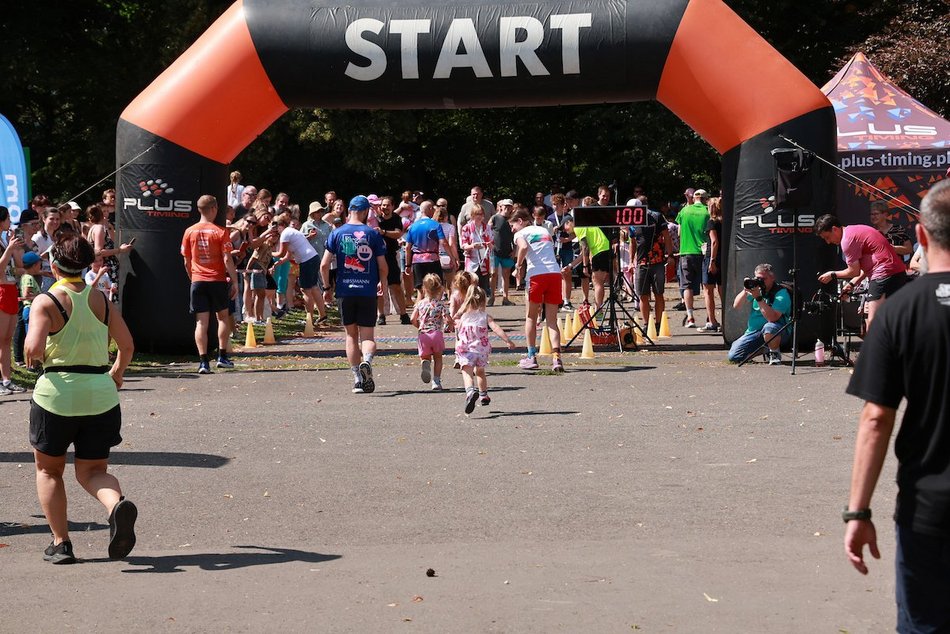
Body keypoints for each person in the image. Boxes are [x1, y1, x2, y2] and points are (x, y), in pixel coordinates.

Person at [842, 179, 950, 632]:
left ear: (922, 237)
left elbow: (875, 418)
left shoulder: (899, 312)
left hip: (929, 509)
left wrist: (858, 512)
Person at [24, 234, 137, 564]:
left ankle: (61, 543)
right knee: (92, 470)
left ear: (54, 265)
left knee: (49, 471)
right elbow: (127, 345)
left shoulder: (47, 301)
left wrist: (39, 355)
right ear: (88, 264)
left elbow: (31, 350)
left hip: (57, 395)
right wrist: (116, 374)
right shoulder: (101, 299)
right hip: (100, 394)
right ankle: (115, 505)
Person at [321, 195, 388, 394]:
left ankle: (358, 379)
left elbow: (324, 264)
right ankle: (366, 361)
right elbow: (383, 266)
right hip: (367, 290)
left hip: (345, 290)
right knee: (367, 335)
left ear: (349, 210)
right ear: (366, 211)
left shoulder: (337, 233)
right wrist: (381, 283)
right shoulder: (373, 234)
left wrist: (326, 288)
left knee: (351, 335)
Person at [816, 214, 907, 330]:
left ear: (835, 229)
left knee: (873, 322)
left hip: (883, 275)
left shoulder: (847, 241)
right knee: (892, 319)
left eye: (827, 237)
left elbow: (853, 271)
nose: (828, 242)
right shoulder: (854, 230)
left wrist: (832, 274)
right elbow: (869, 265)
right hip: (897, 273)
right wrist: (851, 284)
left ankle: (876, 348)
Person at [181, 195, 239, 374]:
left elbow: (186, 260)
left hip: (198, 280)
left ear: (199, 210)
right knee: (222, 318)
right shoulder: (221, 232)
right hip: (217, 280)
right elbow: (227, 258)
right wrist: (234, 280)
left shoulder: (189, 231)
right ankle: (222, 356)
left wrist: (193, 277)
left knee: (201, 323)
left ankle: (203, 362)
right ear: (214, 209)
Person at [509, 209, 564, 373]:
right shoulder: (543, 230)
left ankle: (531, 356)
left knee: (531, 317)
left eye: (512, 226)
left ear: (519, 221)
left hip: (537, 275)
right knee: (552, 320)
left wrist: (518, 266)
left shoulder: (521, 234)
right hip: (554, 273)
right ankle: (556, 358)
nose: (512, 230)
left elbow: (524, 247)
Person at [454, 285, 516, 413]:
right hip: (482, 351)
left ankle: (470, 391)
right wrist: (508, 340)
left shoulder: (464, 317)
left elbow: (456, 327)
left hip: (467, 350)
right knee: (480, 372)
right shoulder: (486, 316)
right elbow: (496, 328)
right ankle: (483, 395)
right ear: (483, 301)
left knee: (467, 372)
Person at [726, 263, 792, 365]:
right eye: (757, 278)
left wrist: (759, 298)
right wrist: (745, 290)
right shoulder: (757, 290)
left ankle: (774, 353)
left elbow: (773, 318)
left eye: (763, 279)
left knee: (769, 327)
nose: (760, 282)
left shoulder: (781, 294)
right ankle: (764, 349)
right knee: (734, 357)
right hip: (755, 332)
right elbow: (736, 306)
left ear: (772, 278)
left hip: (777, 332)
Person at [270, 213, 328, 324]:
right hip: (313, 258)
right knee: (314, 287)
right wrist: (277, 264)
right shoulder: (291, 232)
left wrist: (269, 252)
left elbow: (281, 253)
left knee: (305, 290)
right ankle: (322, 315)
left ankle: (309, 320)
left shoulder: (285, 234)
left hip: (307, 261)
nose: (274, 230)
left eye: (275, 226)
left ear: (280, 225)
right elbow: (287, 256)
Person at [631, 199, 674, 334]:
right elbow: (632, 241)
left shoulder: (655, 216)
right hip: (641, 262)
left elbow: (666, 236)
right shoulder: (631, 222)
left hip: (657, 261)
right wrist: (632, 260)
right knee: (642, 295)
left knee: (658, 293)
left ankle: (659, 323)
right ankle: (646, 324)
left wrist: (670, 254)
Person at [404, 200, 454, 303]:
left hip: (417, 261)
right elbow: (443, 243)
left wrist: (408, 265)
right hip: (432, 260)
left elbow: (408, 247)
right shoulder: (435, 225)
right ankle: (435, 315)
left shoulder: (413, 226)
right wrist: (452, 258)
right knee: (436, 289)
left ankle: (417, 316)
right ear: (430, 209)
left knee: (420, 292)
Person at [410, 273, 453, 391]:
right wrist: (450, 325)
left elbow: (412, 319)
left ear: (423, 288)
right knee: (438, 358)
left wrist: (419, 326)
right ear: (440, 288)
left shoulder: (420, 304)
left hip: (423, 335)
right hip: (436, 334)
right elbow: (448, 319)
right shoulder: (440, 304)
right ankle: (436, 381)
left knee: (425, 356)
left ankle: (425, 363)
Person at [1, 207, 27, 395]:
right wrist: (9, 249)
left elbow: (19, 266)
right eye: (8, 218)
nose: (10, 221)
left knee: (6, 340)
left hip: (11, 289)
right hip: (1, 289)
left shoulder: (4, 239)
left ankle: (7, 380)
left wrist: (15, 247)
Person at [372, 196, 410, 325]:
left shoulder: (396, 218)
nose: (385, 207)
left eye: (388, 205)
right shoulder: (375, 219)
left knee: (396, 286)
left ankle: (403, 314)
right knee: (380, 287)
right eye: (383, 205)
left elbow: (398, 233)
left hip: (391, 256)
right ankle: (381, 315)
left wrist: (383, 232)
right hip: (377, 256)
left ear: (393, 207)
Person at [675, 188, 710, 327]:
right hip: (703, 252)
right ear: (705, 199)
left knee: (687, 286)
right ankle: (709, 317)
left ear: (694, 198)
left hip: (686, 252)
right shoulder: (707, 212)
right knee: (707, 287)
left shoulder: (684, 211)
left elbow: (678, 232)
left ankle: (690, 317)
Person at [698, 196, 723, 333]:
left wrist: (712, 261)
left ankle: (712, 321)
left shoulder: (711, 222)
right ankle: (726, 320)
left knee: (708, 291)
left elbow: (714, 242)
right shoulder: (725, 222)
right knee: (722, 291)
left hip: (712, 258)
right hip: (723, 258)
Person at [459, 203, 493, 295]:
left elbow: (492, 242)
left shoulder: (487, 228)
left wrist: (489, 245)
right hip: (471, 260)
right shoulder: (467, 228)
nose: (479, 216)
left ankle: (482, 305)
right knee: (471, 284)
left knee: (483, 286)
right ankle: (471, 303)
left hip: (484, 259)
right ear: (472, 215)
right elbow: (463, 245)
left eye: (481, 214)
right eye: (477, 214)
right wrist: (473, 246)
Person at [489, 199, 516, 306]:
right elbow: (487, 231)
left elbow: (516, 236)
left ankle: (505, 298)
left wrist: (515, 250)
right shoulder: (495, 218)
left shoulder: (512, 219)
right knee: (493, 274)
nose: (507, 208)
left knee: (506, 275)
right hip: (494, 251)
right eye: (506, 206)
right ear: (501, 206)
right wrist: (489, 244)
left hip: (507, 252)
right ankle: (492, 297)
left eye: (510, 206)